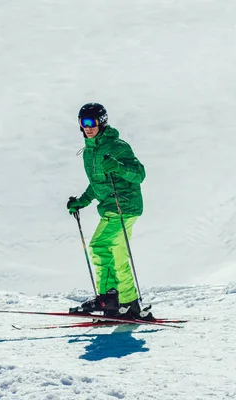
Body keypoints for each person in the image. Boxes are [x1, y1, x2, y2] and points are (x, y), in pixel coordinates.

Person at [67, 102, 152, 320]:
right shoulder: (88, 152)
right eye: (82, 122)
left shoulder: (118, 146)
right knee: (118, 253)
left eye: (91, 122)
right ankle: (129, 302)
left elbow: (139, 174)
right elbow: (97, 184)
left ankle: (109, 297)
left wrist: (118, 167)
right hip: (111, 208)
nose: (87, 127)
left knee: (99, 245)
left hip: (124, 205)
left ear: (102, 122)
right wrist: (81, 201)